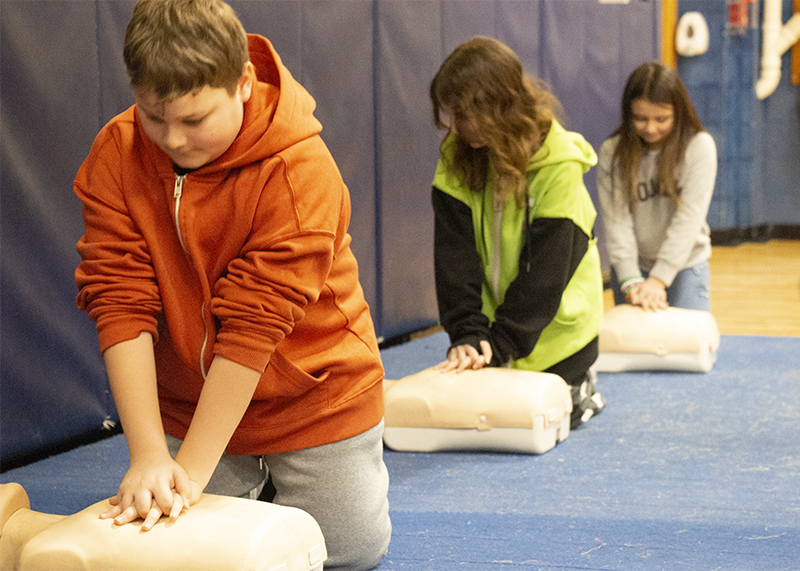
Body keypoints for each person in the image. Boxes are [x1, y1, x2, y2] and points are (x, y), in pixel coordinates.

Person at [72, 1, 390, 568]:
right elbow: (118, 300)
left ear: (243, 83)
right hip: (187, 401)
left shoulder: (300, 170)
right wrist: (148, 454)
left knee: (349, 553)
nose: (172, 138)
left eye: (195, 120)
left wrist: (187, 480)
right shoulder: (116, 152)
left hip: (312, 394)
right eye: (152, 115)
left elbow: (251, 330)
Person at [429, 37, 606, 429]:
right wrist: (469, 334)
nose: (453, 128)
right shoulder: (457, 154)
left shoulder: (559, 165)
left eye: (463, 114)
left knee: (532, 422)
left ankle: (581, 384)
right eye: (449, 114)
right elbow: (453, 257)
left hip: (558, 332)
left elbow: (547, 274)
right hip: (494, 333)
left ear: (499, 108)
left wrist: (500, 346)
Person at [597, 61, 717, 312]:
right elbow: (617, 221)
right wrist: (631, 280)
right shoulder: (613, 152)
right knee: (634, 348)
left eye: (661, 119)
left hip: (685, 265)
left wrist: (659, 278)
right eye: (640, 118)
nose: (650, 128)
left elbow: (689, 218)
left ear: (679, 112)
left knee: (686, 345)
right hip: (633, 269)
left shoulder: (699, 147)